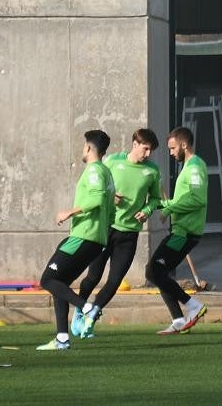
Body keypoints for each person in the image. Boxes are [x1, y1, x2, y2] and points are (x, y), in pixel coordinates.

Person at [74, 128, 162, 338]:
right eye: (145, 148)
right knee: (93, 276)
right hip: (106, 229)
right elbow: (98, 185)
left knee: (114, 281)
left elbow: (156, 199)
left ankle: (92, 316)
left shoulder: (152, 171)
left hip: (129, 235)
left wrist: (147, 210)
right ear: (134, 144)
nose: (148, 154)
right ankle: (79, 311)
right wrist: (110, 195)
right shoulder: (113, 161)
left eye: (151, 150)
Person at [36, 130, 115, 351]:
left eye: (83, 146)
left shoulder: (94, 170)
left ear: (88, 148)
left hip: (83, 236)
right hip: (96, 239)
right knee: (59, 282)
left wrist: (69, 212)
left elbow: (97, 199)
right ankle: (62, 338)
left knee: (47, 280)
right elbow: (110, 209)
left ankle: (87, 308)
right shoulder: (107, 173)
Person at [150, 127, 209, 335]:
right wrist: (163, 206)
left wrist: (169, 208)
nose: (171, 152)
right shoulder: (188, 166)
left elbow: (197, 199)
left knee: (153, 271)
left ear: (184, 145)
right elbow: (184, 199)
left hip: (185, 233)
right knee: (159, 272)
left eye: (173, 148)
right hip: (182, 231)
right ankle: (177, 319)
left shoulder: (195, 167)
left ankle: (193, 306)